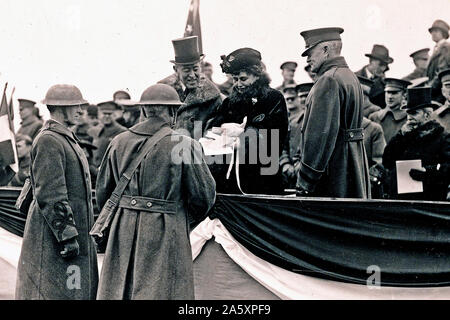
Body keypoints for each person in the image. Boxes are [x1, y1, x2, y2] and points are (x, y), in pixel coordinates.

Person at [95, 84, 216, 300]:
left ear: (144, 110)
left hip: (122, 227)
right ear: (172, 112)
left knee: (120, 289)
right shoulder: (184, 145)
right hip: (166, 227)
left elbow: (104, 193)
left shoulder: (118, 142)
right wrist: (180, 220)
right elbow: (203, 197)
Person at [15, 84, 98, 300]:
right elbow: (51, 195)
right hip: (55, 237)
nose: (81, 110)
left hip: (67, 234)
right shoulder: (49, 140)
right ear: (59, 108)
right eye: (75, 106)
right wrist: (67, 236)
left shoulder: (62, 137)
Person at [296, 27, 370, 198]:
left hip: (335, 171)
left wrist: (306, 180)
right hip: (352, 164)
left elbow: (320, 137)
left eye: (310, 52)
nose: (307, 59)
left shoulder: (328, 80)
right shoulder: (349, 76)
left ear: (326, 50)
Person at [207, 47, 289, 195]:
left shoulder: (274, 98)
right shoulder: (229, 102)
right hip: (232, 182)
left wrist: (242, 134)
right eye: (235, 79)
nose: (238, 84)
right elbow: (214, 132)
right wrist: (221, 132)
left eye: (243, 79)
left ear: (257, 75)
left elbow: (276, 139)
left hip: (264, 179)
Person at [382, 87, 450, 201]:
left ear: (427, 115)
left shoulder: (442, 137)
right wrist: (400, 136)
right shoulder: (403, 136)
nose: (409, 118)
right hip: (400, 199)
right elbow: (387, 161)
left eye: (414, 113)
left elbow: (448, 169)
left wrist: (428, 174)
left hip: (428, 200)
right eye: (408, 113)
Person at [158, 36, 222, 139]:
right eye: (186, 70)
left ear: (201, 66)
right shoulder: (160, 93)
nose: (192, 75)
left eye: (195, 69)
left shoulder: (213, 97)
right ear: (176, 69)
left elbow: (216, 130)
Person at [369, 78, 411, 143]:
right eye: (388, 92)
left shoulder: (408, 118)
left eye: (394, 93)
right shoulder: (374, 117)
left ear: (404, 95)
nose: (390, 96)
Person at [90, 101, 127, 167]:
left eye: (109, 114)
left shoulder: (122, 132)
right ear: (99, 114)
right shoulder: (96, 131)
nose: (107, 116)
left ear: (114, 115)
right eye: (104, 113)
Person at [426, 19, 450, 102]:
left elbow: (441, 72)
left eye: (436, 31)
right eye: (432, 31)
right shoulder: (437, 48)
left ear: (443, 33)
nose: (433, 33)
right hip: (436, 92)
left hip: (439, 93)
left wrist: (428, 89)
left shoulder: (445, 47)